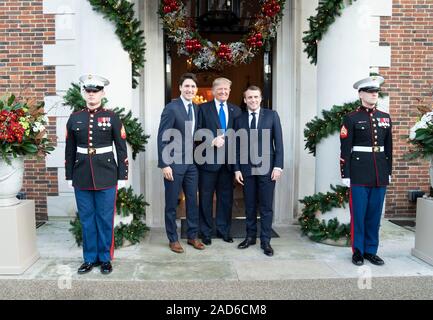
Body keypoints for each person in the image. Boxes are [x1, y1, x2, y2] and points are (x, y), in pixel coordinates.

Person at [65, 74, 128, 275]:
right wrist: (68, 176)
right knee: (86, 219)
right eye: (88, 91)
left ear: (103, 93)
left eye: (96, 91)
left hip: (107, 175)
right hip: (81, 174)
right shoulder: (75, 118)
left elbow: (121, 148)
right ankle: (89, 258)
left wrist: (122, 175)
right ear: (84, 93)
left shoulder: (112, 117)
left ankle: (105, 259)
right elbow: (69, 149)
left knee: (104, 218)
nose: (92, 95)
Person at [340, 75, 392, 266]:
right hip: (359, 172)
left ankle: (371, 250)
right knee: (359, 214)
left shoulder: (385, 118)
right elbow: (345, 147)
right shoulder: (352, 118)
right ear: (361, 94)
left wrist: (389, 171)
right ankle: (358, 251)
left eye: (376, 92)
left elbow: (389, 148)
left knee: (374, 214)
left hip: (379, 172)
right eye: (370, 92)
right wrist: (345, 173)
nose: (374, 95)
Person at [157, 73, 204, 253]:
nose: (190, 89)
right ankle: (173, 239)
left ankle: (192, 236)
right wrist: (165, 164)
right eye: (187, 86)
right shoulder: (171, 108)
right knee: (171, 203)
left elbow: (197, 134)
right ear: (180, 88)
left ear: (196, 89)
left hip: (192, 163)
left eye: (193, 87)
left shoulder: (196, 108)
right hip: (174, 163)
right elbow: (163, 136)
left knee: (193, 201)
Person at [234, 86, 284, 256]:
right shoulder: (239, 119)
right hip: (246, 169)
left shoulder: (271, 115)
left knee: (266, 206)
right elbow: (236, 147)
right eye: (250, 97)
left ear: (261, 98)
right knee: (249, 205)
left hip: (267, 169)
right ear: (245, 99)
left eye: (256, 97)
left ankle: (266, 241)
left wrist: (278, 166)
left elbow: (279, 144)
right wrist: (237, 169)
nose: (253, 100)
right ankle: (250, 237)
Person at [197, 77, 242, 245]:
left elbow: (239, 138)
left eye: (226, 90)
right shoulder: (202, 109)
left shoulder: (236, 110)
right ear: (214, 91)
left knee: (226, 199)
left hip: (228, 164)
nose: (223, 92)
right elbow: (196, 133)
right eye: (220, 89)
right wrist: (211, 141)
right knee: (206, 199)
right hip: (207, 162)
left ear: (229, 91)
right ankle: (206, 232)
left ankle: (224, 230)